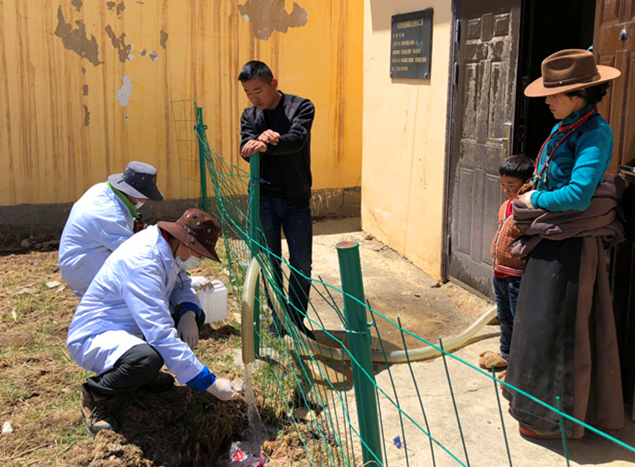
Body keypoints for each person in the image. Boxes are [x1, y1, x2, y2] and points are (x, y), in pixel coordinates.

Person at [502, 49, 623, 440]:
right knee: (537, 327)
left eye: (554, 95)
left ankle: (558, 421)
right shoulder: (566, 126)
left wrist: (533, 199)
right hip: (550, 236)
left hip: (571, 245)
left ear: (580, 95)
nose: (548, 102)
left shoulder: (594, 133)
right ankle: (531, 409)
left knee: (560, 331)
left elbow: (578, 195)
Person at [66, 208, 240, 435]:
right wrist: (210, 384)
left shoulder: (169, 246)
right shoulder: (143, 263)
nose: (198, 259)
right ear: (185, 242)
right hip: (99, 332)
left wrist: (188, 313)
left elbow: (181, 282)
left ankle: (140, 377)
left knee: (193, 316)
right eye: (198, 253)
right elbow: (159, 332)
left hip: (133, 323)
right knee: (145, 359)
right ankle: (95, 395)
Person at [238, 60, 316, 338]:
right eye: (248, 93)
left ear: (273, 83)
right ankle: (278, 319)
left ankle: (295, 321)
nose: (253, 98)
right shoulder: (250, 116)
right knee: (269, 262)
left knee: (302, 264)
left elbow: (296, 140)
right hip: (263, 200)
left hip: (296, 200)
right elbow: (245, 147)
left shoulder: (301, 107)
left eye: (258, 90)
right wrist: (257, 142)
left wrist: (270, 142)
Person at [59, 161, 163, 297]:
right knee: (142, 283)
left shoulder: (101, 189)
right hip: (84, 271)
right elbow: (134, 255)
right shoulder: (110, 215)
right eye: (145, 197)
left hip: (80, 258)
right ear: (132, 193)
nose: (146, 201)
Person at [478, 155, 534, 375]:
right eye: (503, 184)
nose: (506, 189)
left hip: (517, 277)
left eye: (511, 184)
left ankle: (520, 368)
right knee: (505, 318)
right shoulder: (505, 206)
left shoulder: (529, 208)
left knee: (520, 322)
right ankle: (506, 355)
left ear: (526, 183)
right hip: (500, 273)